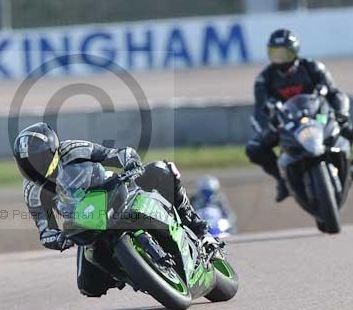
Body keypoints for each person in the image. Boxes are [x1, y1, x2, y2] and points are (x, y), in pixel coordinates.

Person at [13, 122, 213, 297]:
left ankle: (195, 225)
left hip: (115, 191)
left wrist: (131, 163)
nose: (32, 166)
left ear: (52, 151)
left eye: (36, 159)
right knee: (89, 286)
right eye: (25, 162)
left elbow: (117, 153)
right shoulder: (32, 190)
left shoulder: (73, 149)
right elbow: (45, 229)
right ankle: (134, 271)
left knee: (161, 169)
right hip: (87, 221)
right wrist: (59, 239)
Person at [246, 29, 353, 203]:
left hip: (319, 118)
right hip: (287, 126)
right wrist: (266, 130)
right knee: (255, 148)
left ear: (294, 51)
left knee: (347, 129)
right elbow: (259, 111)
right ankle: (282, 179)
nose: (280, 58)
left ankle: (350, 162)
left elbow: (335, 93)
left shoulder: (313, 68)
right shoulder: (264, 79)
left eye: (284, 53)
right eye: (275, 53)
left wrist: (341, 113)